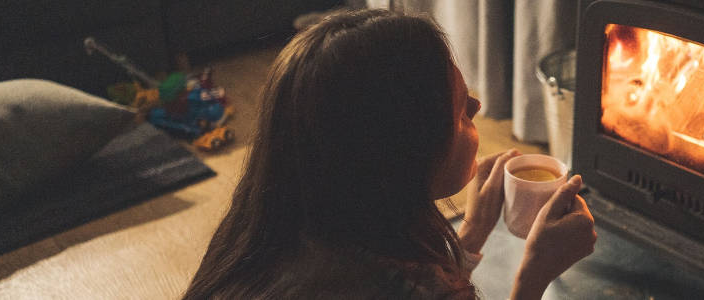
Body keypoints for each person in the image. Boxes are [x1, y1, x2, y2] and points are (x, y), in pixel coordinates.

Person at [183, 9, 596, 299]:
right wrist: (534, 272)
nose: (476, 107)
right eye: (455, 109)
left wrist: (468, 238)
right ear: (400, 152)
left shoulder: (265, 239)